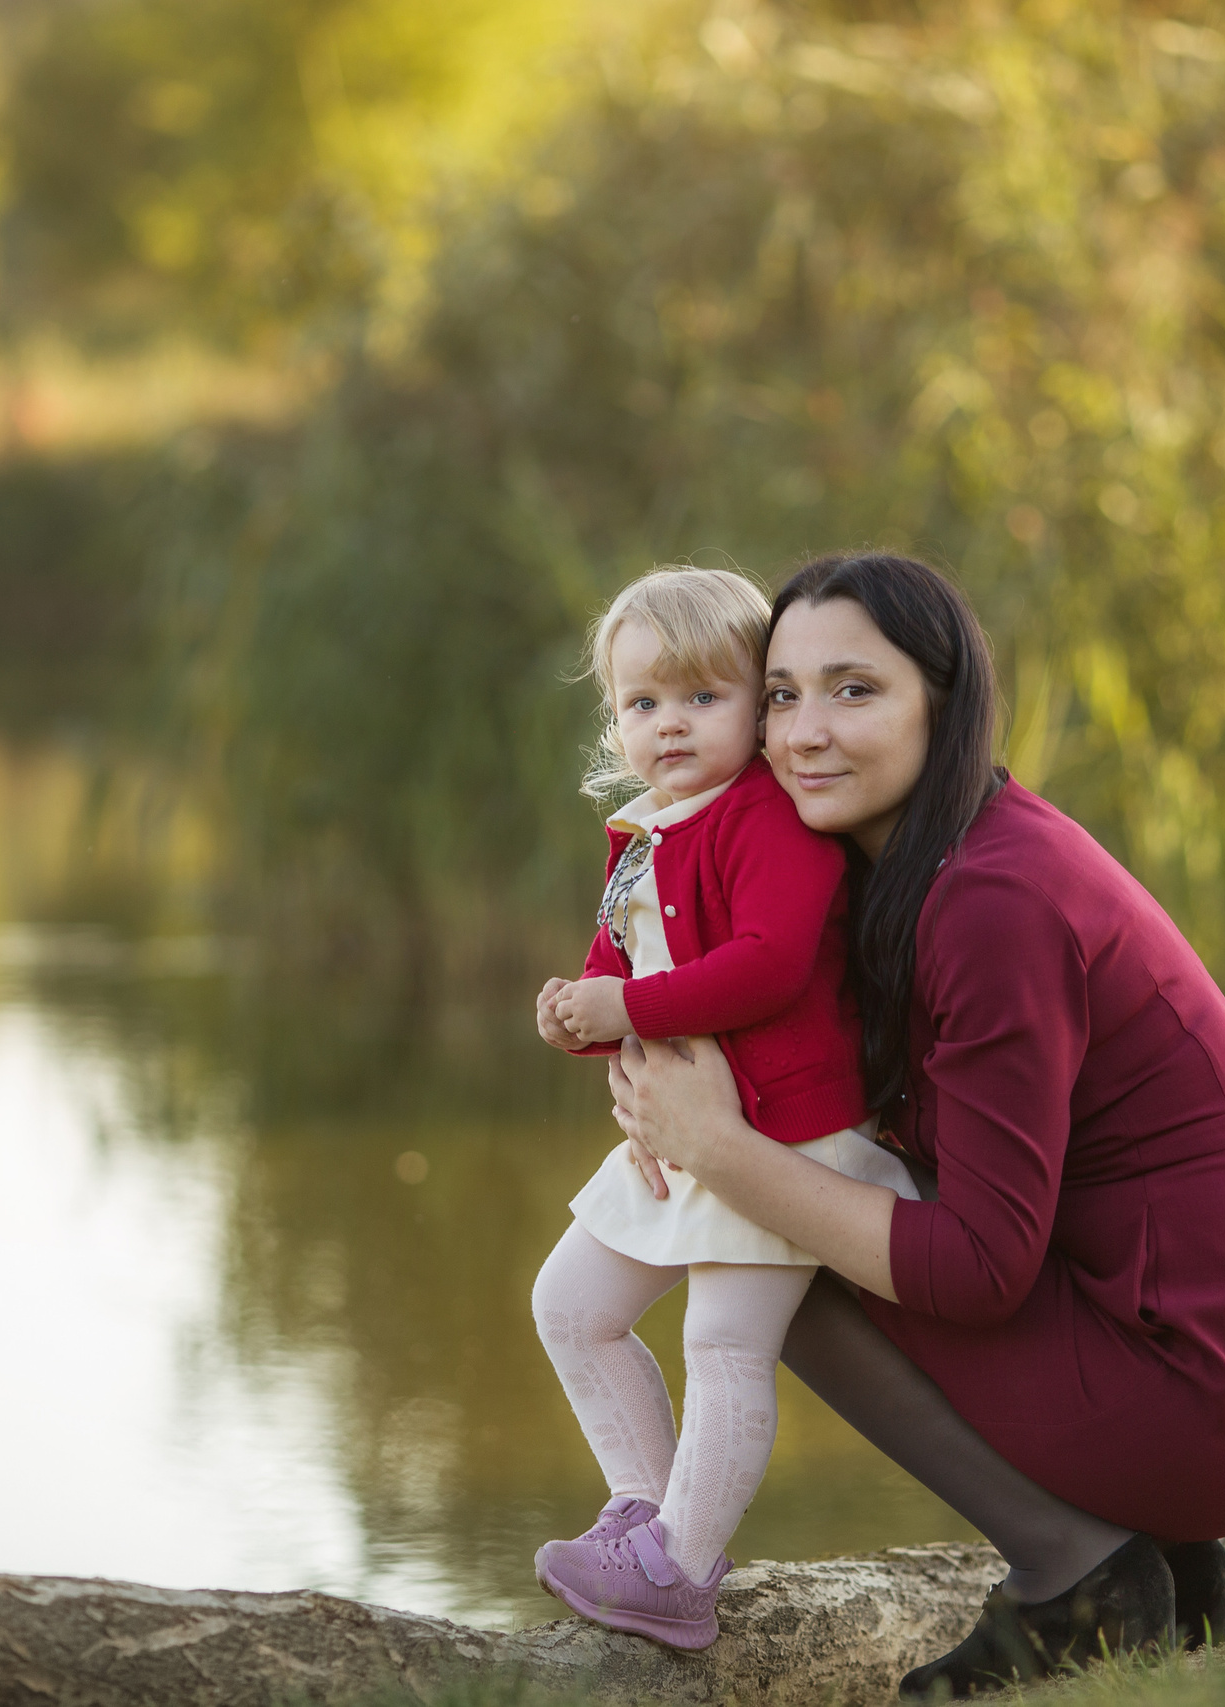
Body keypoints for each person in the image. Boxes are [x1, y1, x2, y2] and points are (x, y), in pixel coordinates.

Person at [605, 552, 1225, 1694]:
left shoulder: (993, 901)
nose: (805, 732)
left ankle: (1078, 1576)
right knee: (768, 1199)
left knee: (760, 1238)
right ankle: (1149, 1555)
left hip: (1211, 1390)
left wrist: (720, 1150)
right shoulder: (926, 858)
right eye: (783, 695)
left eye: (856, 691)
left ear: (940, 707)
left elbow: (982, 1268)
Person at [527, 566, 922, 1650]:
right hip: (685, 1135)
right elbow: (620, 959)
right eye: (642, 704)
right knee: (570, 1305)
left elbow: (769, 967)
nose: (669, 725)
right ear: (612, 717)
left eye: (704, 697)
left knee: (725, 1345)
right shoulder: (646, 830)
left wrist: (628, 1003)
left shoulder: (768, 821)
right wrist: (581, 1013)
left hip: (784, 1133)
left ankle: (683, 1569)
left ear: (759, 706)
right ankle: (648, 1519)